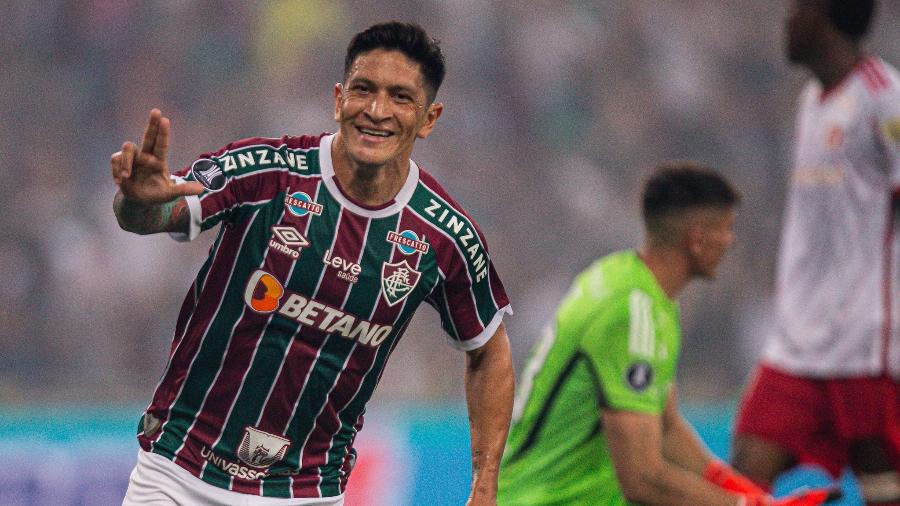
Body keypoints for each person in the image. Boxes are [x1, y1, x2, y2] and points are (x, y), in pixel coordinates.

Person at [111, 22, 514, 506]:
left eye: (400, 97)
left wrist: (485, 484)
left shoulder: (444, 236)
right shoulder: (267, 171)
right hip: (178, 471)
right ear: (339, 98)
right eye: (364, 90)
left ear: (429, 118)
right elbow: (159, 211)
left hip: (305, 490)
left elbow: (489, 349)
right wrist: (135, 202)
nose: (377, 111)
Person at [497, 163, 830, 506]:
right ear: (698, 240)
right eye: (727, 229)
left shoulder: (634, 286)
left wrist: (751, 496)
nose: (732, 242)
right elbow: (642, 481)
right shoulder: (630, 313)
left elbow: (666, 427)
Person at [732, 1, 900, 504]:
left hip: (862, 348)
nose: (785, 18)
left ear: (824, 16)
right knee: (741, 478)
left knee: (884, 491)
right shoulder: (811, 101)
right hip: (796, 344)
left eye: (796, 7)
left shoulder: (883, 99)